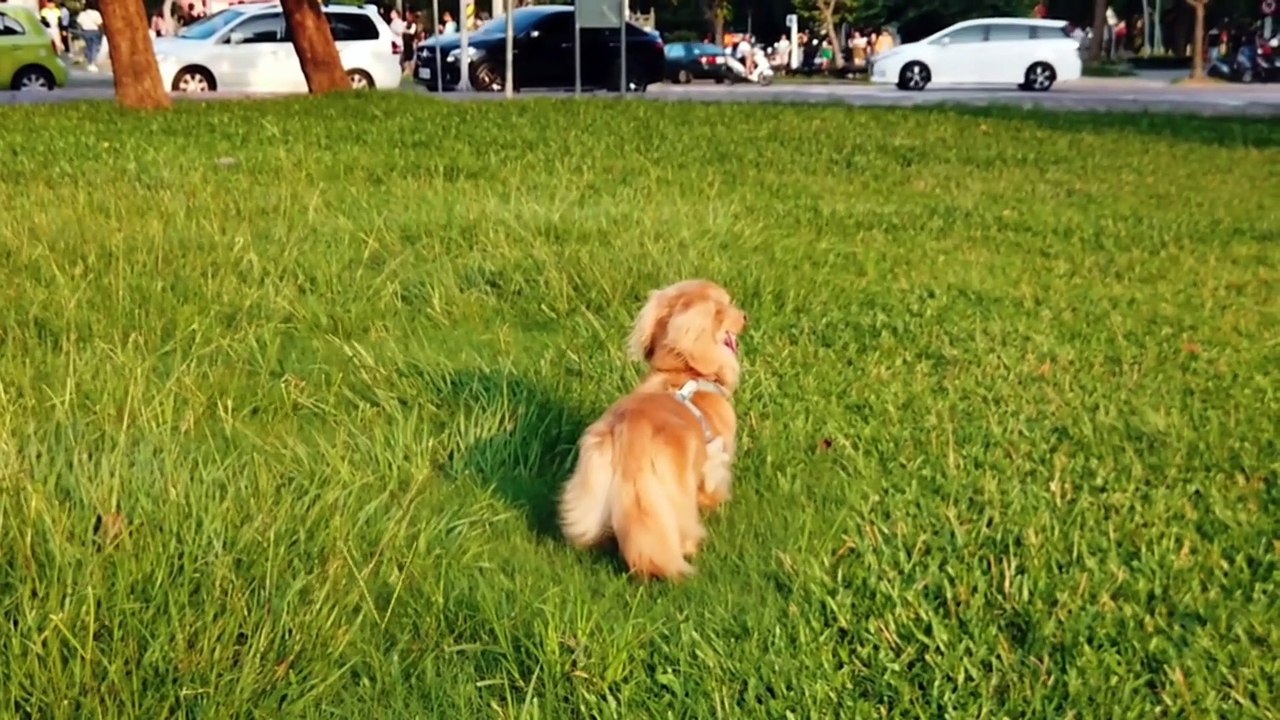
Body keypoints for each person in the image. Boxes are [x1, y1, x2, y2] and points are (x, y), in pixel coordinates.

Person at [76, 2, 103, 72]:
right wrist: (102, 32)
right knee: (95, 47)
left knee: (88, 47)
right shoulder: (96, 13)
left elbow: (79, 23)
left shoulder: (82, 14)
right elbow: (100, 23)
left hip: (85, 32)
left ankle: (89, 62)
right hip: (94, 31)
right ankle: (93, 63)